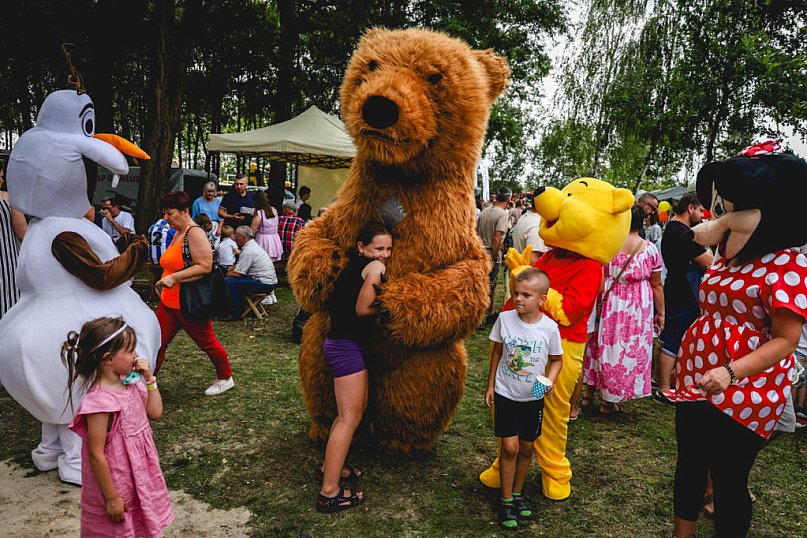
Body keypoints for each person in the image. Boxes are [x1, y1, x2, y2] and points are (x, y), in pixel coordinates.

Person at [63, 316, 173, 536]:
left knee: (140, 523)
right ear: (108, 359)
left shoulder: (131, 384)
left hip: (138, 474)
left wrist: (150, 380)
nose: (136, 355)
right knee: (118, 529)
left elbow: (155, 412)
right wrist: (112, 498)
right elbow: (96, 454)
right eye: (130, 351)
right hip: (117, 480)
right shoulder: (99, 402)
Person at [316, 222, 392, 513]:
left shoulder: (355, 265)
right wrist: (390, 307)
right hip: (345, 347)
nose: (384, 254)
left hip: (343, 344)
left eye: (388, 249)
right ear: (362, 247)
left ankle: (330, 469)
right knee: (349, 419)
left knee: (348, 415)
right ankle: (329, 493)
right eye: (378, 248)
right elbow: (362, 309)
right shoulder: (375, 268)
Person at [484, 267, 563, 529]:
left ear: (542, 299)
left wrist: (550, 380)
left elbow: (557, 360)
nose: (518, 298)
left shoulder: (549, 328)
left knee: (527, 448)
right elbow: (497, 352)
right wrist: (490, 385)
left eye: (526, 295)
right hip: (506, 393)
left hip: (533, 398)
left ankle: (518, 494)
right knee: (510, 448)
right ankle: (506, 500)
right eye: (516, 293)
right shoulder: (505, 319)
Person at [580, 205, 664, 414]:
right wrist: (661, 312)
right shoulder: (649, 249)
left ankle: (588, 395)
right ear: (642, 221)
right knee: (625, 351)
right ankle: (609, 400)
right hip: (637, 307)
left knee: (600, 346)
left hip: (609, 301)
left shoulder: (608, 246)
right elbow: (656, 284)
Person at [155, 191, 234, 396]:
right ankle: (147, 380)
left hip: (188, 302)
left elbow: (205, 266)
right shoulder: (179, 232)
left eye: (170, 213)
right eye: (165, 213)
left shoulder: (194, 232)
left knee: (207, 341)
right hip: (169, 302)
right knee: (156, 342)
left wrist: (174, 278)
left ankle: (225, 377)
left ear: (184, 212)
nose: (166, 218)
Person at [655, 192, 712, 405]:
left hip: (674, 286)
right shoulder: (682, 233)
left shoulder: (671, 229)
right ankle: (664, 389)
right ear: (690, 208)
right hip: (684, 290)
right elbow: (709, 261)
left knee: (667, 337)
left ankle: (659, 380)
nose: (702, 215)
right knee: (675, 338)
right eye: (700, 210)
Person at [222, 226, 278, 320]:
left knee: (229, 282)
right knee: (234, 281)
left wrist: (222, 274)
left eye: (237, 236)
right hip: (269, 282)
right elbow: (240, 266)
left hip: (263, 284)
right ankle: (238, 307)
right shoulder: (253, 246)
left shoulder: (248, 251)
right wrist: (229, 269)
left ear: (243, 238)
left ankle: (235, 312)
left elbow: (238, 273)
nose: (235, 238)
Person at [478, 187, 512, 321]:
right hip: (490, 253)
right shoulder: (502, 214)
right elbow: (497, 237)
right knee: (490, 285)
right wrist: (494, 256)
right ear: (508, 200)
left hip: (480, 252)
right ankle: (484, 314)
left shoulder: (484, 211)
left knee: (481, 284)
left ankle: (486, 311)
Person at [0, 164, 27, 320]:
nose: (2, 180)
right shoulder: (8, 198)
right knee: (9, 306)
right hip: (6, 263)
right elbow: (22, 232)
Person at [511, 193, 548, 266]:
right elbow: (533, 261)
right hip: (530, 271)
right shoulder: (536, 225)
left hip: (522, 270)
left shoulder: (526, 217)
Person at [251, 190, 283, 261]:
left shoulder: (259, 214)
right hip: (274, 239)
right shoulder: (274, 210)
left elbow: (252, 231)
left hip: (263, 240)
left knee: (261, 261)